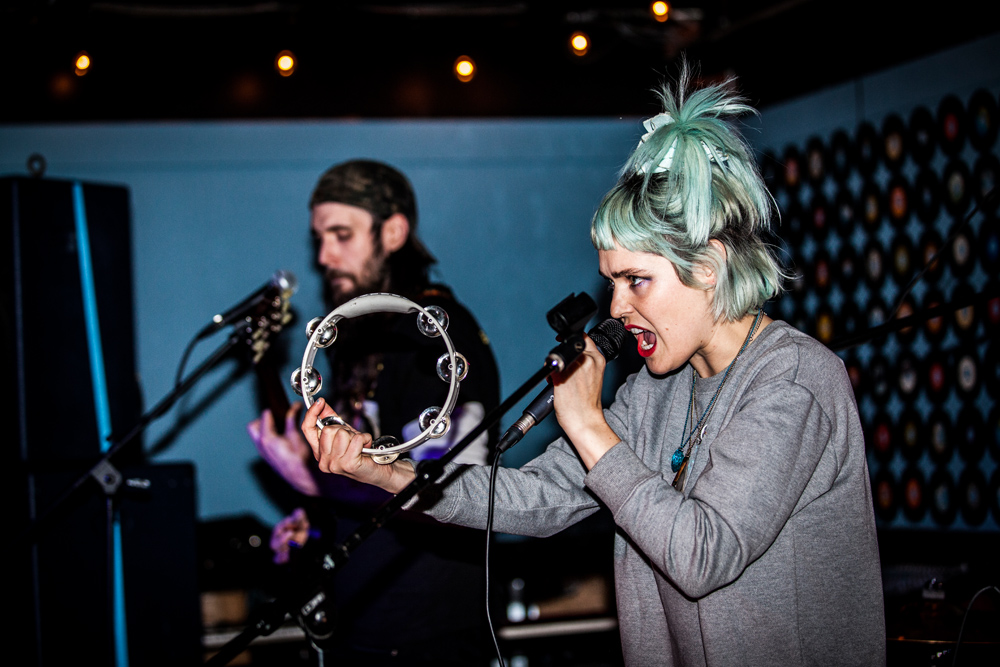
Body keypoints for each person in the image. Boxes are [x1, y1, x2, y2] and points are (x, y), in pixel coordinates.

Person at [298, 69, 886, 666]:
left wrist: (588, 425)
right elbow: (536, 496)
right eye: (611, 282)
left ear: (708, 264)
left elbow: (704, 556)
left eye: (637, 281)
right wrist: (386, 475)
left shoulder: (793, 380)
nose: (617, 308)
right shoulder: (657, 391)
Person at [248, 159, 500, 665]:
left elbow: (447, 493)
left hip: (427, 637)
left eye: (341, 235)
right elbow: (368, 468)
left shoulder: (432, 338)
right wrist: (319, 523)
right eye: (320, 238)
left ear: (394, 231)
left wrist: (311, 480)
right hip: (362, 629)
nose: (324, 255)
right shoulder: (357, 335)